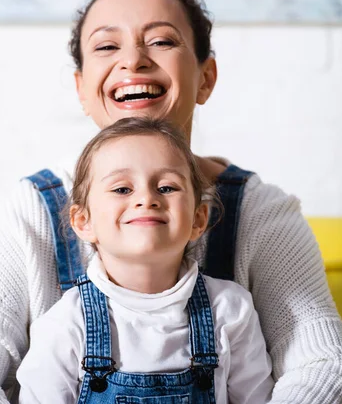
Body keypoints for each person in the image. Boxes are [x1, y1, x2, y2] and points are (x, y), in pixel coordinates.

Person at [0, 0, 342, 404]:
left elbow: (321, 363)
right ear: (81, 88)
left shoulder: (261, 212)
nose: (133, 61)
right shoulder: (32, 210)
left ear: (205, 77)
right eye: (107, 46)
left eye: (162, 41)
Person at [16, 117, 275, 404]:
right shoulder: (64, 324)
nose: (146, 198)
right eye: (122, 189)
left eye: (166, 188)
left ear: (198, 219)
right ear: (83, 221)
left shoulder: (230, 311)